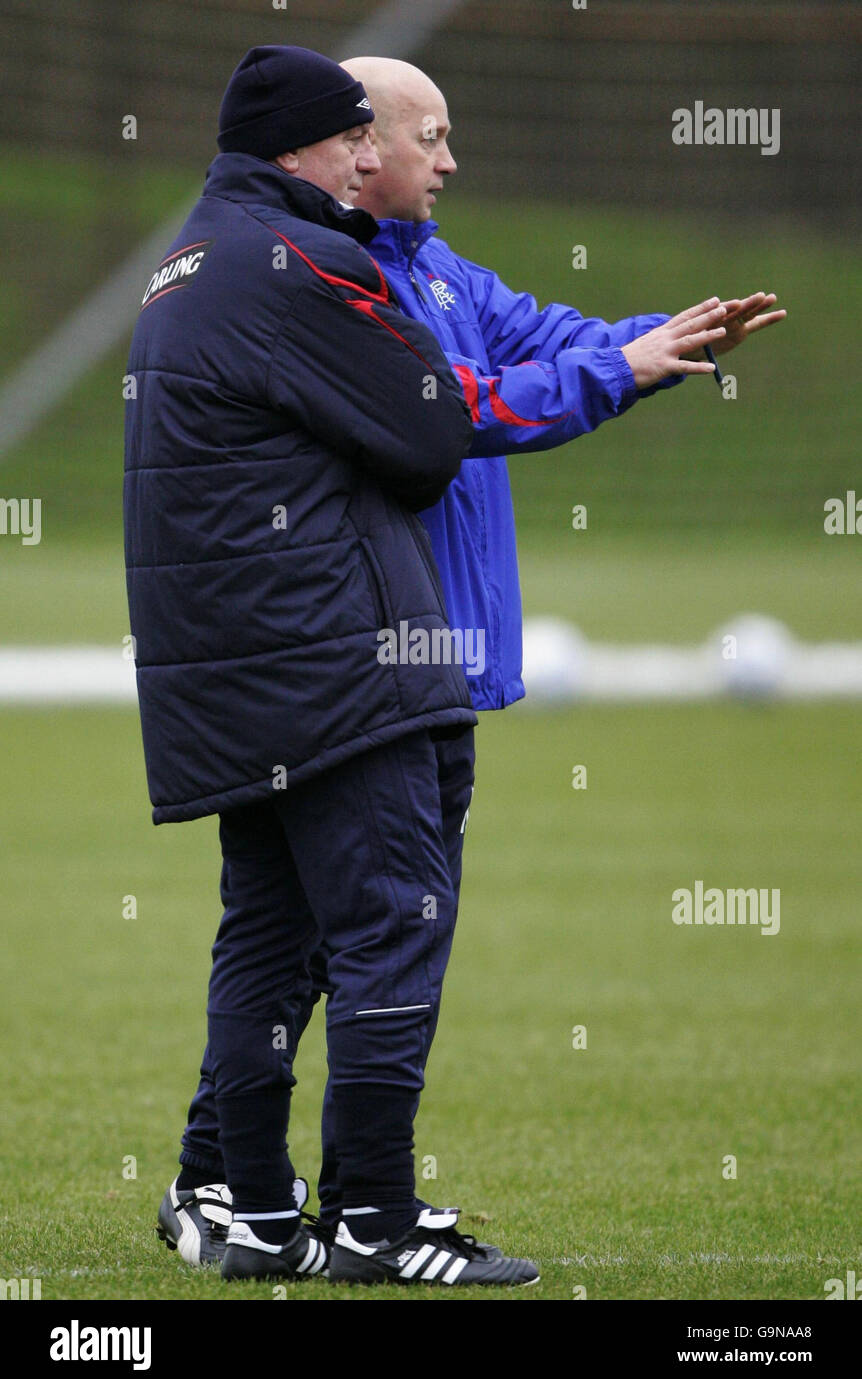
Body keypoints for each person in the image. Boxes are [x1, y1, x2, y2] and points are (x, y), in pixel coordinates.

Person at [158, 53, 785, 1278]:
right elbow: (455, 410)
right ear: (352, 145)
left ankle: (232, 1191)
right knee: (355, 936)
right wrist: (617, 371)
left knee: (304, 942)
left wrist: (646, 338)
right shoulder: (320, 277)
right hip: (366, 671)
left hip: (407, 669)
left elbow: (529, 337)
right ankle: (339, 1216)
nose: (446, 162)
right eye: (423, 136)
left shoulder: (426, 265)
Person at [128, 43, 540, 1287]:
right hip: (339, 663)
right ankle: (377, 1219)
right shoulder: (307, 259)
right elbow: (430, 436)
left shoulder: (183, 264)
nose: (377, 157)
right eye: (355, 137)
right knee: (389, 928)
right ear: (299, 147)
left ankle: (252, 1209)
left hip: (231, 676)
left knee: (267, 938)